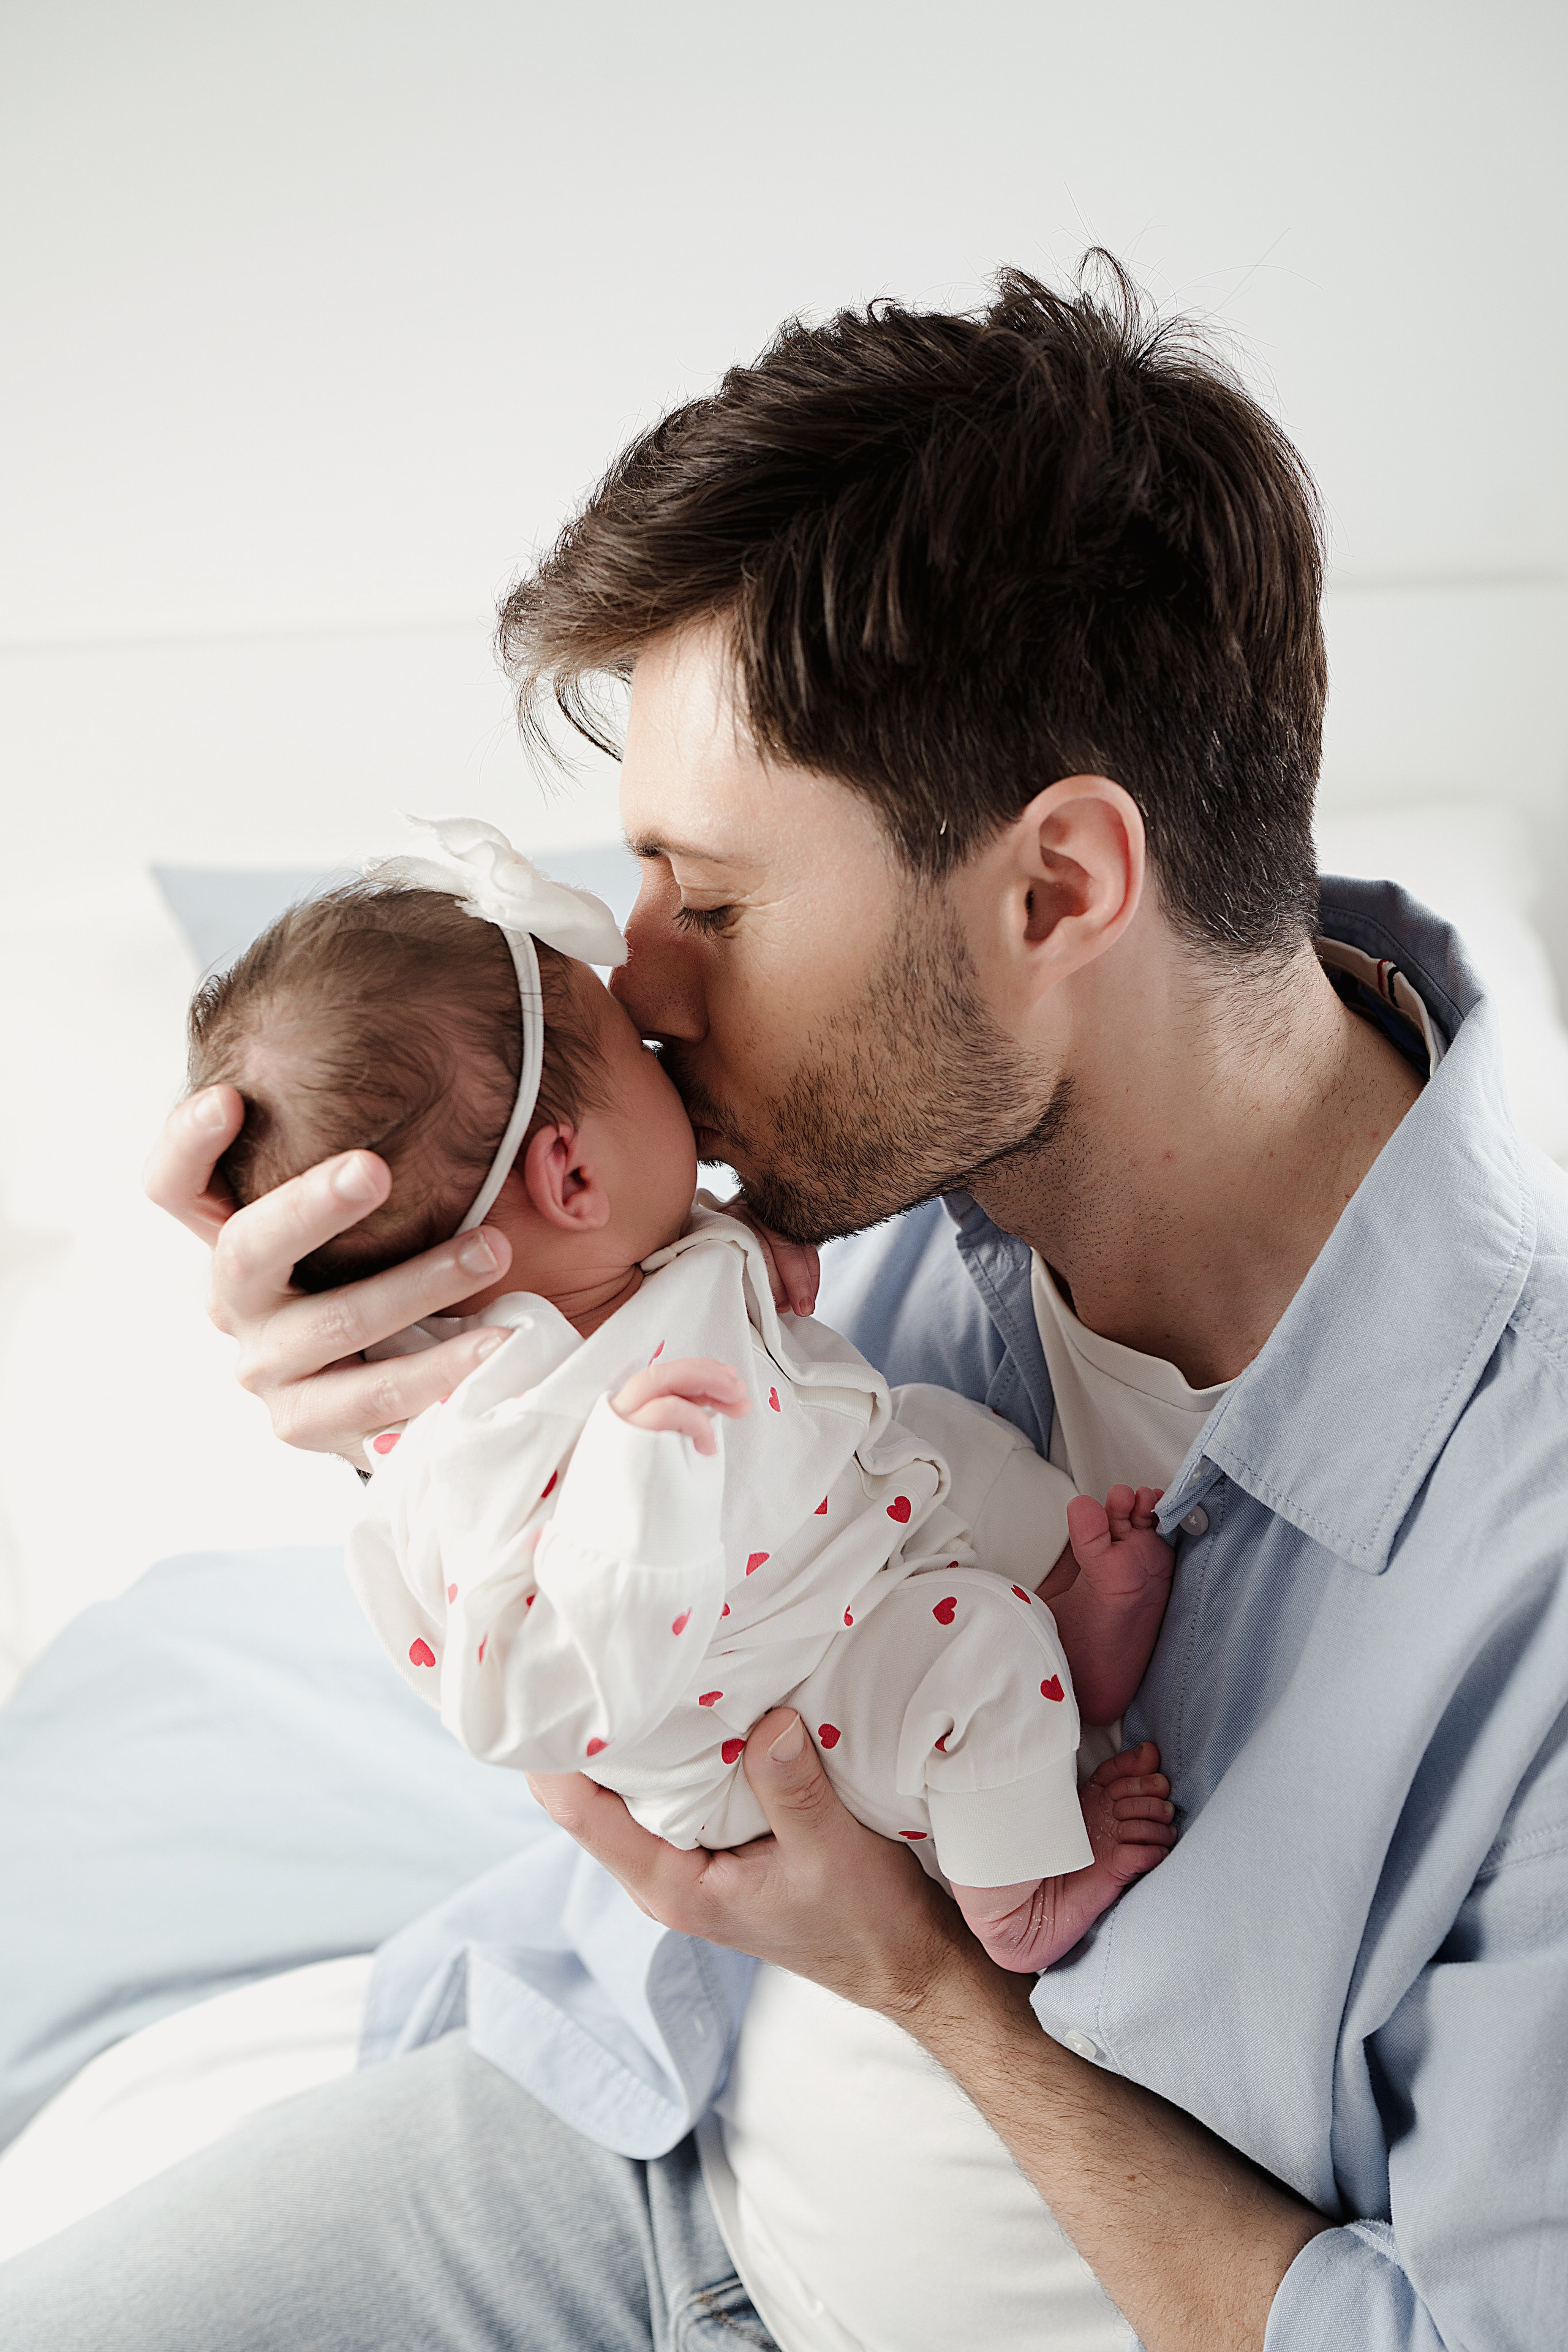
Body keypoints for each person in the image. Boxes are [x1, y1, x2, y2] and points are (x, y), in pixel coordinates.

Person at [9, 262, 1566, 2351]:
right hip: (620, 2115)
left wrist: (916, 1970)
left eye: (715, 901)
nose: (634, 982)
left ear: (1057, 891)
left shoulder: (1526, 1573)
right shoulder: (884, 1169)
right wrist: (408, 1371)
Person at [183, 819, 1178, 1965]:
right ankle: (1022, 1897)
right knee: (976, 1655)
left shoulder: (625, 1253)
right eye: (637, 1061)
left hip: (860, 1534)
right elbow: (517, 1708)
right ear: (572, 1175)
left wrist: (752, 1237)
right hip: (778, 1705)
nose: (655, 1020)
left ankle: (1073, 1646)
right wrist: (629, 1506)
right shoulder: (483, 1434)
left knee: (967, 1446)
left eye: (706, 894)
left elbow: (677, 1244)